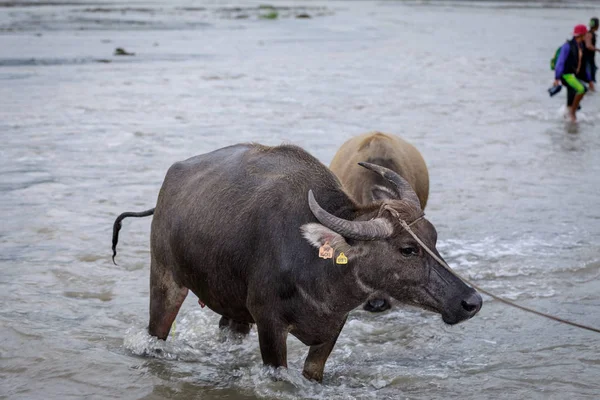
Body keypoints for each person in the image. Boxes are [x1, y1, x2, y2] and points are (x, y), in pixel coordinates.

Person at [554, 24, 591, 122]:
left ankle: (567, 117)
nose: (587, 36)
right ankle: (572, 113)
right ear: (581, 35)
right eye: (585, 34)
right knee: (582, 89)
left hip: (574, 76)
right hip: (566, 75)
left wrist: (589, 78)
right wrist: (557, 78)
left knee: (571, 99)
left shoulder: (581, 46)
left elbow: (584, 64)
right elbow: (560, 62)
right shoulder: (567, 46)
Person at [583, 17, 599, 91]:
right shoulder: (589, 34)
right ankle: (592, 92)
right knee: (590, 79)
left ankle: (590, 92)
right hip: (587, 59)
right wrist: (597, 49)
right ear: (596, 25)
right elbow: (588, 45)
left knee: (590, 78)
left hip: (590, 58)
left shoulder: (591, 34)